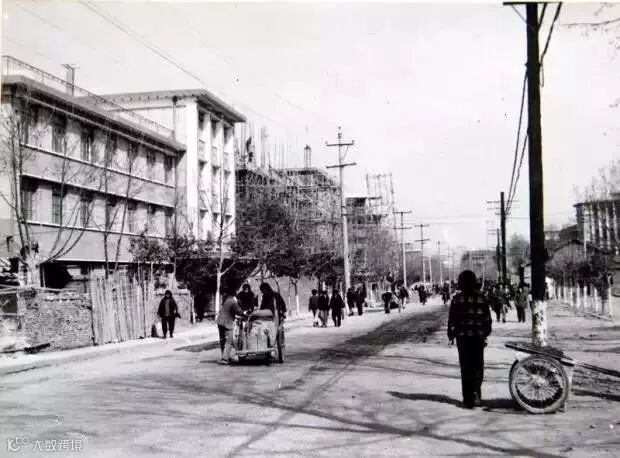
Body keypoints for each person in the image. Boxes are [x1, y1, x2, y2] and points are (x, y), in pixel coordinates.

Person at [447, 270, 493, 409]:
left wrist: (451, 336)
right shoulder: (482, 298)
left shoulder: (456, 299)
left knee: (465, 368)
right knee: (478, 367)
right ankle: (476, 394)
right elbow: (487, 320)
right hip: (478, 338)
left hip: (462, 339)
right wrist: (485, 334)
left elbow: (452, 320)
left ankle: (467, 399)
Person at [215, 286, 244, 365]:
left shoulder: (227, 299)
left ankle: (225, 356)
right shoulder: (233, 301)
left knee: (223, 340)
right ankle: (225, 359)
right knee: (229, 340)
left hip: (220, 322)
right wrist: (244, 313)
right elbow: (239, 311)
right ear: (234, 293)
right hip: (227, 323)